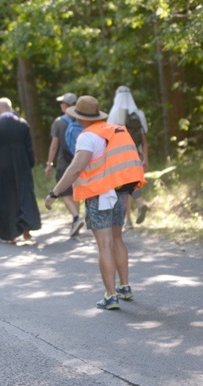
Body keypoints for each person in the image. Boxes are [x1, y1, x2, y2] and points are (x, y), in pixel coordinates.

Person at [44, 96, 146, 310]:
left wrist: (55, 193)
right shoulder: (115, 130)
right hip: (120, 193)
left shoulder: (87, 136)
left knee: (105, 244)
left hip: (100, 195)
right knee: (117, 239)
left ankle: (111, 296)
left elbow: (76, 168)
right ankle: (125, 287)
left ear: (80, 118)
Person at [0, 97, 42, 243]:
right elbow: (29, 148)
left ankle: (10, 234)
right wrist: (30, 163)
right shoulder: (23, 124)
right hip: (21, 165)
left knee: (6, 199)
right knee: (24, 196)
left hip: (1, 168)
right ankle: (26, 229)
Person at [107, 85, 150, 229]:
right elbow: (144, 140)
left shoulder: (113, 114)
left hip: (120, 157)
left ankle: (128, 220)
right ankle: (140, 203)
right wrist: (145, 159)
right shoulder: (139, 114)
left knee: (123, 188)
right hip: (135, 155)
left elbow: (110, 140)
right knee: (132, 183)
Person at [45, 92, 84, 237]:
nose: (61, 105)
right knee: (76, 192)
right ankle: (76, 221)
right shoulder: (82, 120)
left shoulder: (59, 122)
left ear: (67, 106)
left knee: (63, 193)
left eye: (62, 103)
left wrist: (49, 163)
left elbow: (54, 146)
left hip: (64, 162)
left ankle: (76, 217)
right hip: (80, 160)